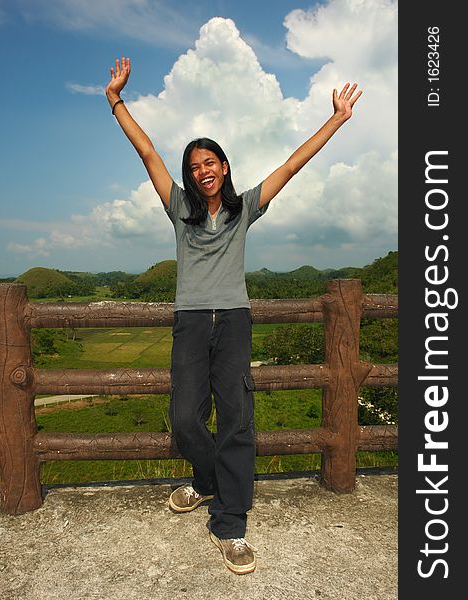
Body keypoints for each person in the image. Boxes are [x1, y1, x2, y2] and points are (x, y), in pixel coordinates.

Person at [106, 56, 362, 575]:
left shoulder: (246, 208)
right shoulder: (178, 208)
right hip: (192, 320)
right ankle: (207, 480)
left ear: (224, 166)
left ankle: (231, 524)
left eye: (210, 163)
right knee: (184, 418)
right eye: (194, 166)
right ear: (189, 175)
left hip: (236, 321)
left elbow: (291, 164)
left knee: (237, 419)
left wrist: (335, 120)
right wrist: (115, 100)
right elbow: (147, 150)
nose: (202, 172)